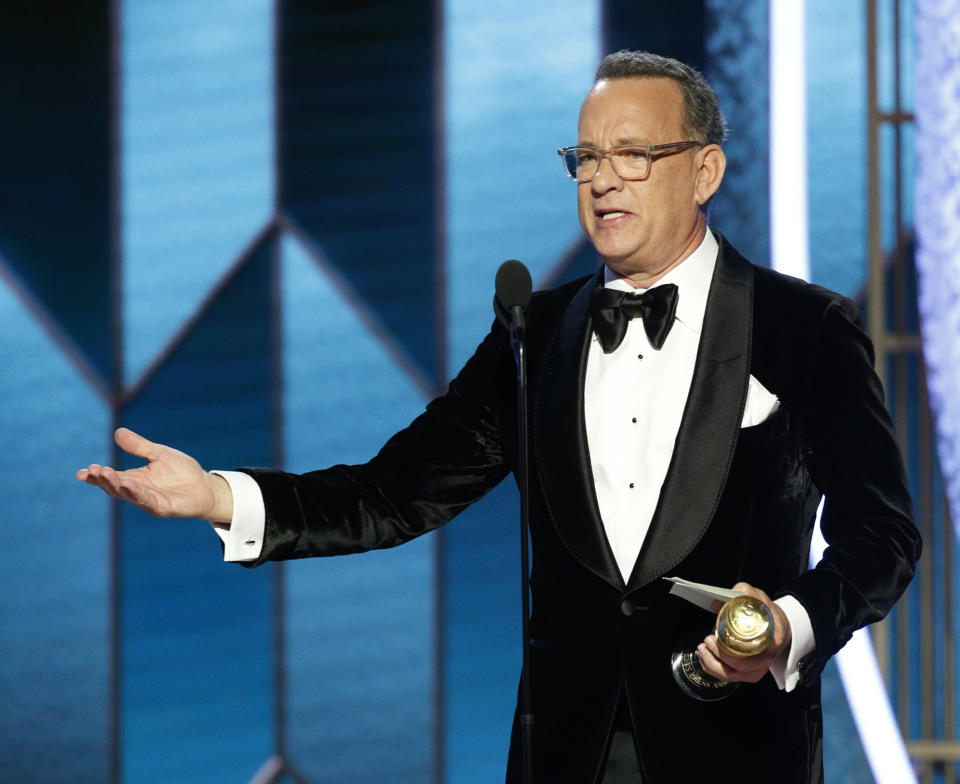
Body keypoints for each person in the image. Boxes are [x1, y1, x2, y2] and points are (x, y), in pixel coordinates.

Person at [77, 50, 920, 783]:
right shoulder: (533, 333)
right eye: (585, 157)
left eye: (633, 154)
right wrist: (219, 497)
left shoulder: (803, 327)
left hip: (736, 751)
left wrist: (784, 627)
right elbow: (395, 492)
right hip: (562, 755)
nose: (602, 179)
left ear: (704, 171)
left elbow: (882, 535)